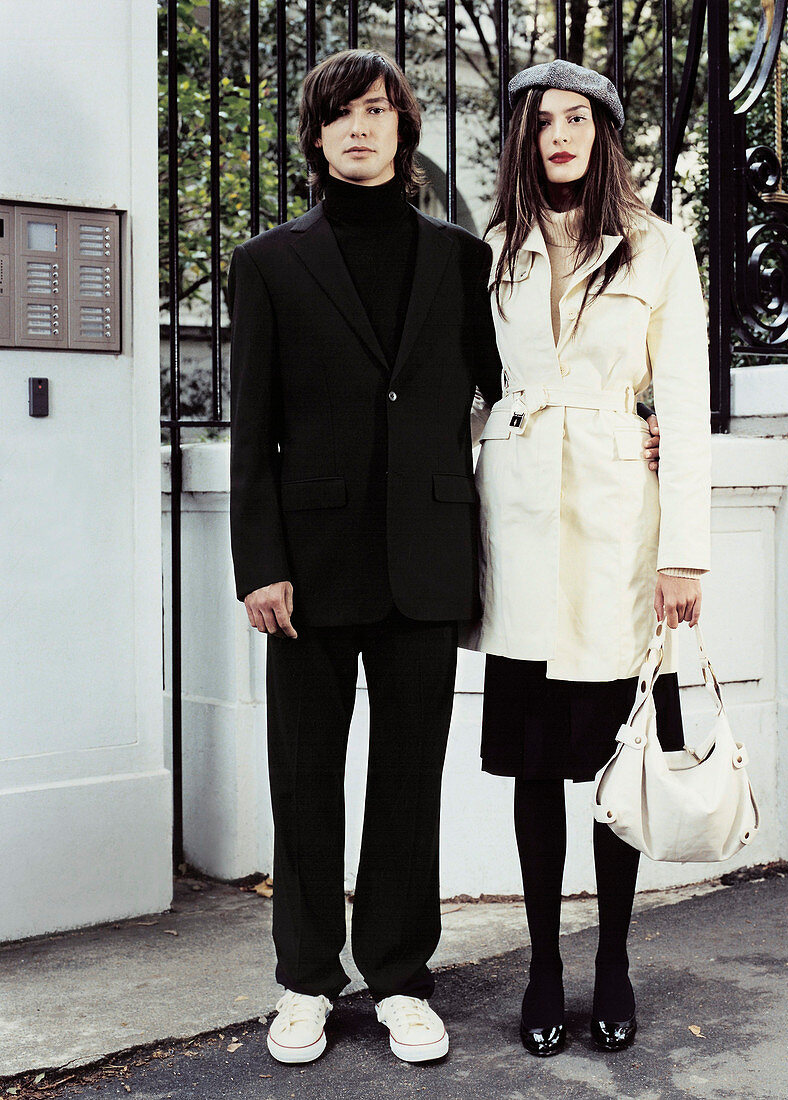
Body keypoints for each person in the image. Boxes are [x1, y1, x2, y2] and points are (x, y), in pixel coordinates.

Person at [226, 48, 506, 1065]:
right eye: (341, 113)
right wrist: (258, 562)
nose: (359, 127)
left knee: (405, 780)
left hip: (425, 558)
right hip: (307, 565)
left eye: (377, 110)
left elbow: (509, 393)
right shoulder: (267, 264)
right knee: (304, 778)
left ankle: (399, 975)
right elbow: (248, 428)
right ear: (315, 134)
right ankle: (304, 977)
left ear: (404, 129)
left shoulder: (458, 260)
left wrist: (631, 423)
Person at [464, 59, 711, 1056]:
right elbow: (468, 385)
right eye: (540, 122)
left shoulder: (657, 247)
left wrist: (686, 551)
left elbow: (686, 405)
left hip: (619, 526)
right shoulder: (491, 249)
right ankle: (542, 966)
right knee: (533, 768)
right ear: (522, 140)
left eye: (577, 118)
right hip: (518, 522)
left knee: (612, 764)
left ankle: (611, 958)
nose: (558, 135)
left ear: (604, 134)